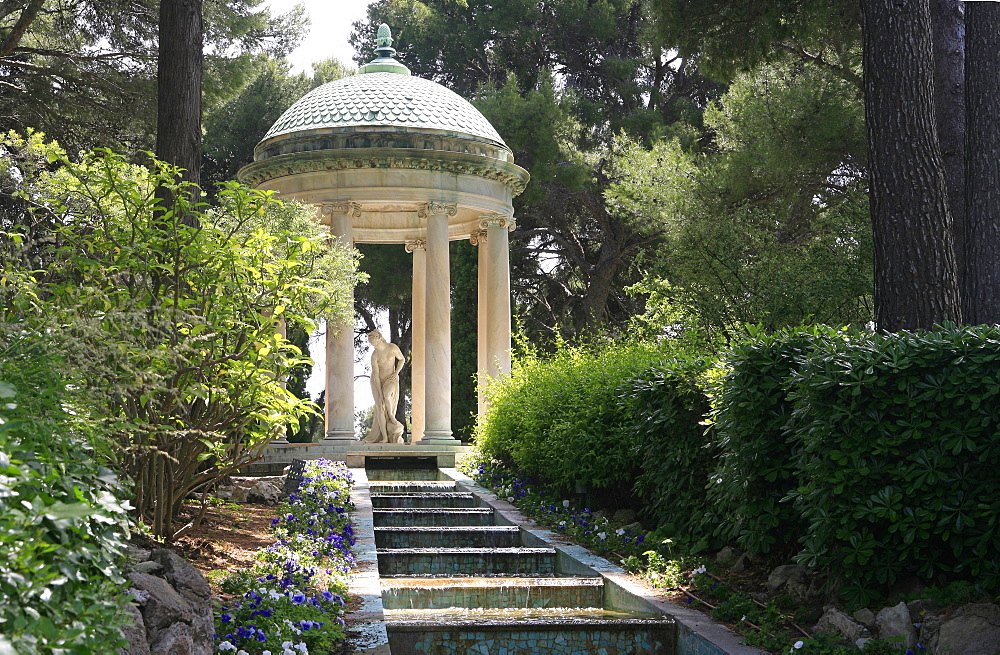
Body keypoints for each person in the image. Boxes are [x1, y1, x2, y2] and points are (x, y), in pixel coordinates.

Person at [363, 329, 406, 444]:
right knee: (380, 407)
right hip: (377, 381)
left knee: (387, 395)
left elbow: (402, 359)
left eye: (374, 342)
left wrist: (396, 373)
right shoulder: (375, 355)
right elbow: (376, 375)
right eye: (372, 343)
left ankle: (392, 416)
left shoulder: (392, 348)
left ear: (379, 338)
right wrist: (379, 392)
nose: (373, 345)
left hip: (391, 378)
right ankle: (385, 438)